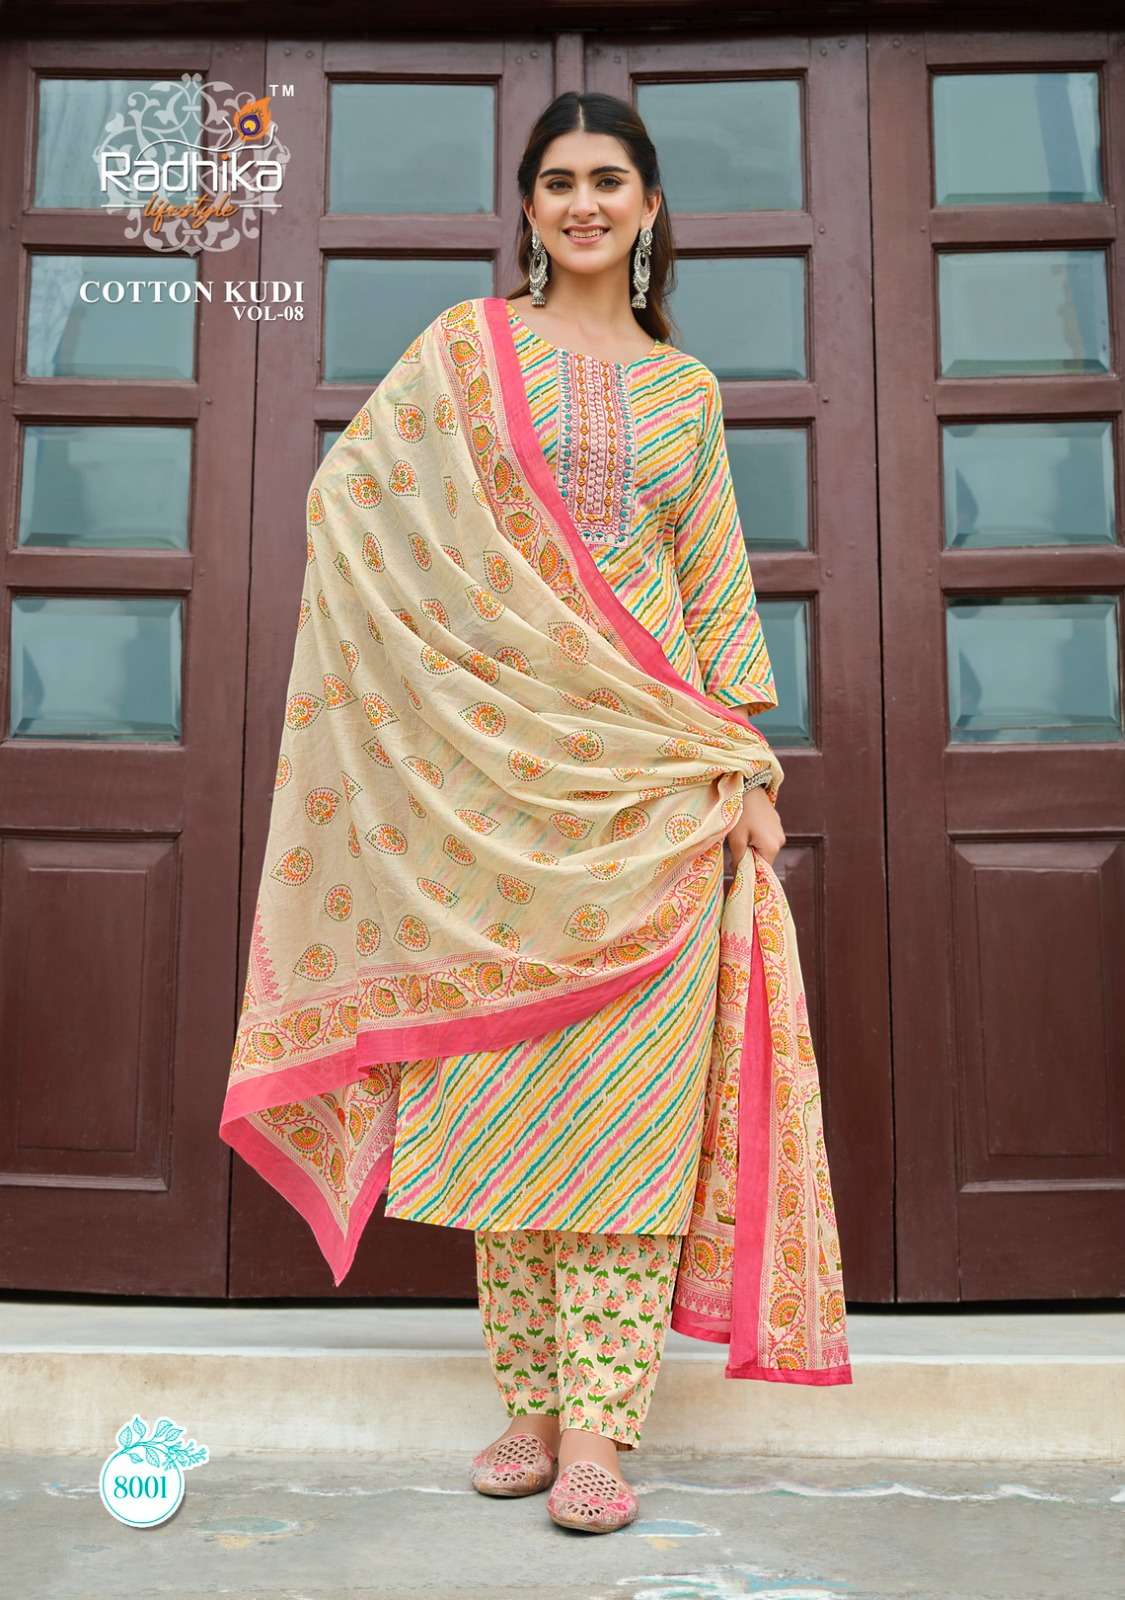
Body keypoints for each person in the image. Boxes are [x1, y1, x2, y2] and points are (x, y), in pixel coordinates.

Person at [219, 91, 850, 1541]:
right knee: (507, 1110)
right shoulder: (465, 351)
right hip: (493, 800)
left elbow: (714, 591)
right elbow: (353, 504)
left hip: (650, 787)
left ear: (649, 207)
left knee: (628, 1120)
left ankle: (601, 1432)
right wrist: (456, 688)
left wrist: (746, 769)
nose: (583, 203)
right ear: (527, 206)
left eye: (608, 180)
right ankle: (528, 1405)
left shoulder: (685, 393)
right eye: (558, 181)